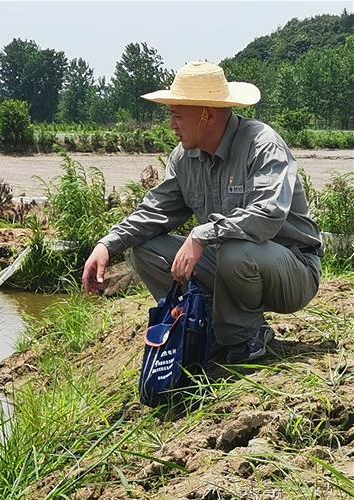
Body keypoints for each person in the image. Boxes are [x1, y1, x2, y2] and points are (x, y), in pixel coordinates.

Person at [82, 61, 322, 363]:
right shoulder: (184, 158)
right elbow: (154, 211)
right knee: (144, 249)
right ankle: (204, 324)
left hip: (291, 270)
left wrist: (201, 234)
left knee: (237, 252)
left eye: (177, 115)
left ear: (207, 115)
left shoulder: (261, 144)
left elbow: (268, 213)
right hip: (228, 264)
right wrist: (107, 244)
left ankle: (245, 338)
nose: (171, 125)